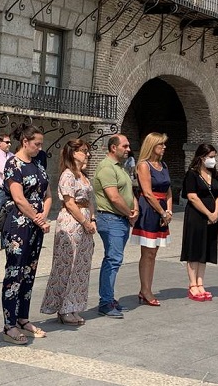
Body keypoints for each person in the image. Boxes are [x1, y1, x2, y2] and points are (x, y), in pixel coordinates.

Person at [1, 124, 52, 345]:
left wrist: (43, 215)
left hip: (35, 226)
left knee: (29, 272)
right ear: (25, 142)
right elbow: (19, 198)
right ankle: (9, 324)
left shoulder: (39, 163)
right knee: (15, 272)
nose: (40, 148)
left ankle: (23, 318)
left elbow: (48, 193)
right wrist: (38, 218)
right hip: (19, 225)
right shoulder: (13, 164)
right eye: (37, 144)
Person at [40, 139, 96, 326]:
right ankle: (63, 308)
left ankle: (73, 305)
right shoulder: (68, 175)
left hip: (85, 219)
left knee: (81, 265)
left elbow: (90, 199)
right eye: (83, 151)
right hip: (72, 222)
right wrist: (85, 221)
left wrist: (92, 219)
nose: (87, 154)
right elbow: (70, 202)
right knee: (68, 265)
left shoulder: (83, 175)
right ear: (73, 153)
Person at [93, 134, 138, 318]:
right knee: (112, 260)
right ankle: (105, 302)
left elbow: (127, 191)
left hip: (121, 219)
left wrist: (135, 209)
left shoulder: (121, 167)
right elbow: (113, 196)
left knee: (114, 259)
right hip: (111, 219)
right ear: (113, 147)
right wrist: (129, 212)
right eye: (125, 146)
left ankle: (109, 297)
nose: (128, 149)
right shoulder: (106, 168)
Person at [130, 132, 172, 307]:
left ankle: (147, 288)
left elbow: (168, 190)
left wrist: (169, 210)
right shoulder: (143, 165)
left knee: (154, 253)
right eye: (160, 144)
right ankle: (145, 289)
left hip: (162, 207)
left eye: (164, 144)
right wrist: (162, 212)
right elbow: (147, 192)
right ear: (152, 145)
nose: (164, 147)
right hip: (150, 209)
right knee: (147, 252)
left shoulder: (163, 165)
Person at [180, 144, 218, 302]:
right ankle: (192, 284)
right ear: (202, 157)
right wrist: (208, 213)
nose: (213, 160)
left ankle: (200, 282)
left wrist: (215, 213)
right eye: (210, 156)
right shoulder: (192, 174)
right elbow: (192, 197)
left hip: (212, 218)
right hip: (196, 216)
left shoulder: (214, 173)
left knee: (205, 249)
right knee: (194, 249)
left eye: (214, 157)